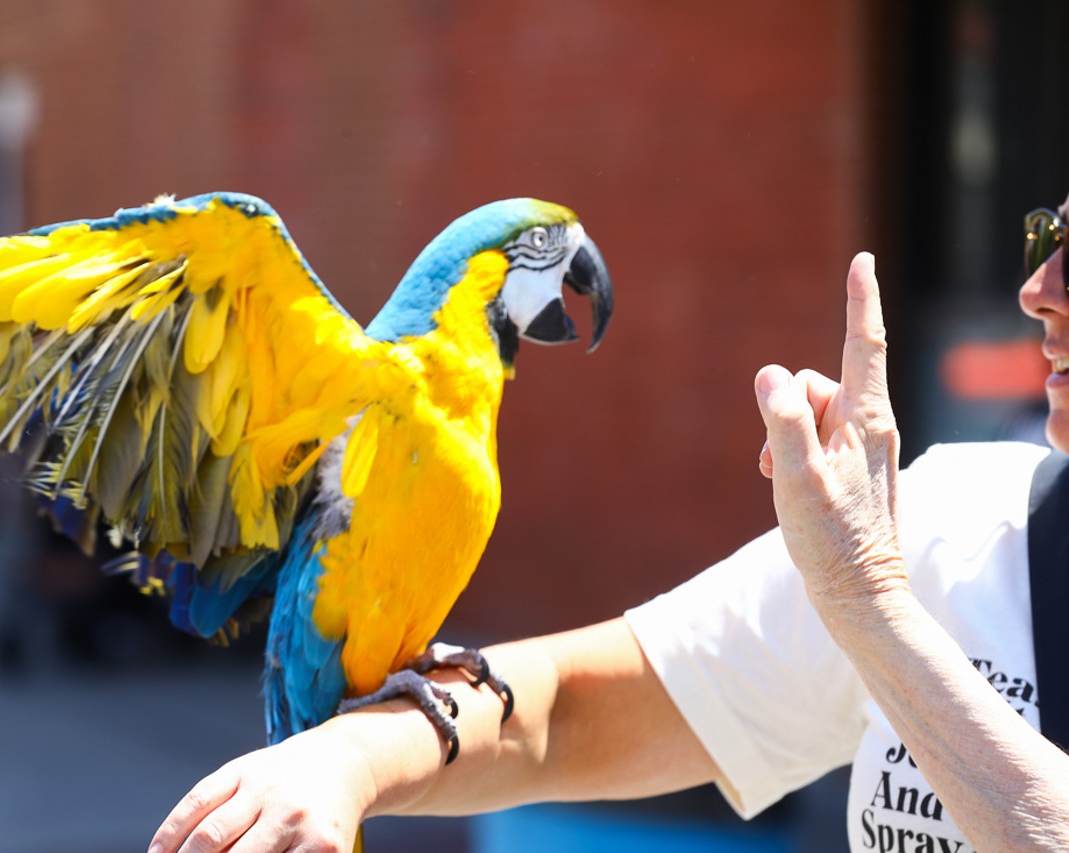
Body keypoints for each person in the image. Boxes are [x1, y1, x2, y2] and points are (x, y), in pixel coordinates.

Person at [146, 218, 1069, 852]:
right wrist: (343, 759)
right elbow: (562, 713)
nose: (1036, 288)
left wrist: (871, 606)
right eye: (1046, 235)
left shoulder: (881, 571)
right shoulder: (948, 523)